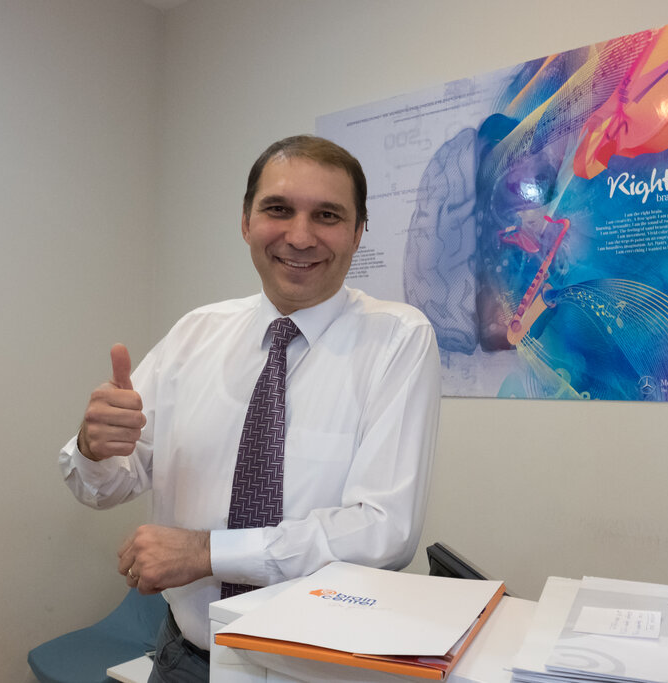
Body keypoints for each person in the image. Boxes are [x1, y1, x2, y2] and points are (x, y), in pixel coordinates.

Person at [59, 135, 442, 682]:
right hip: (185, 659)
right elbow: (104, 487)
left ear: (359, 232)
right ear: (245, 222)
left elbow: (383, 531)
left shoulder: (398, 339)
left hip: (313, 671)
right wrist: (93, 447)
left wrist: (208, 552)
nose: (300, 236)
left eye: (327, 215)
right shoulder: (195, 334)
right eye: (278, 209)